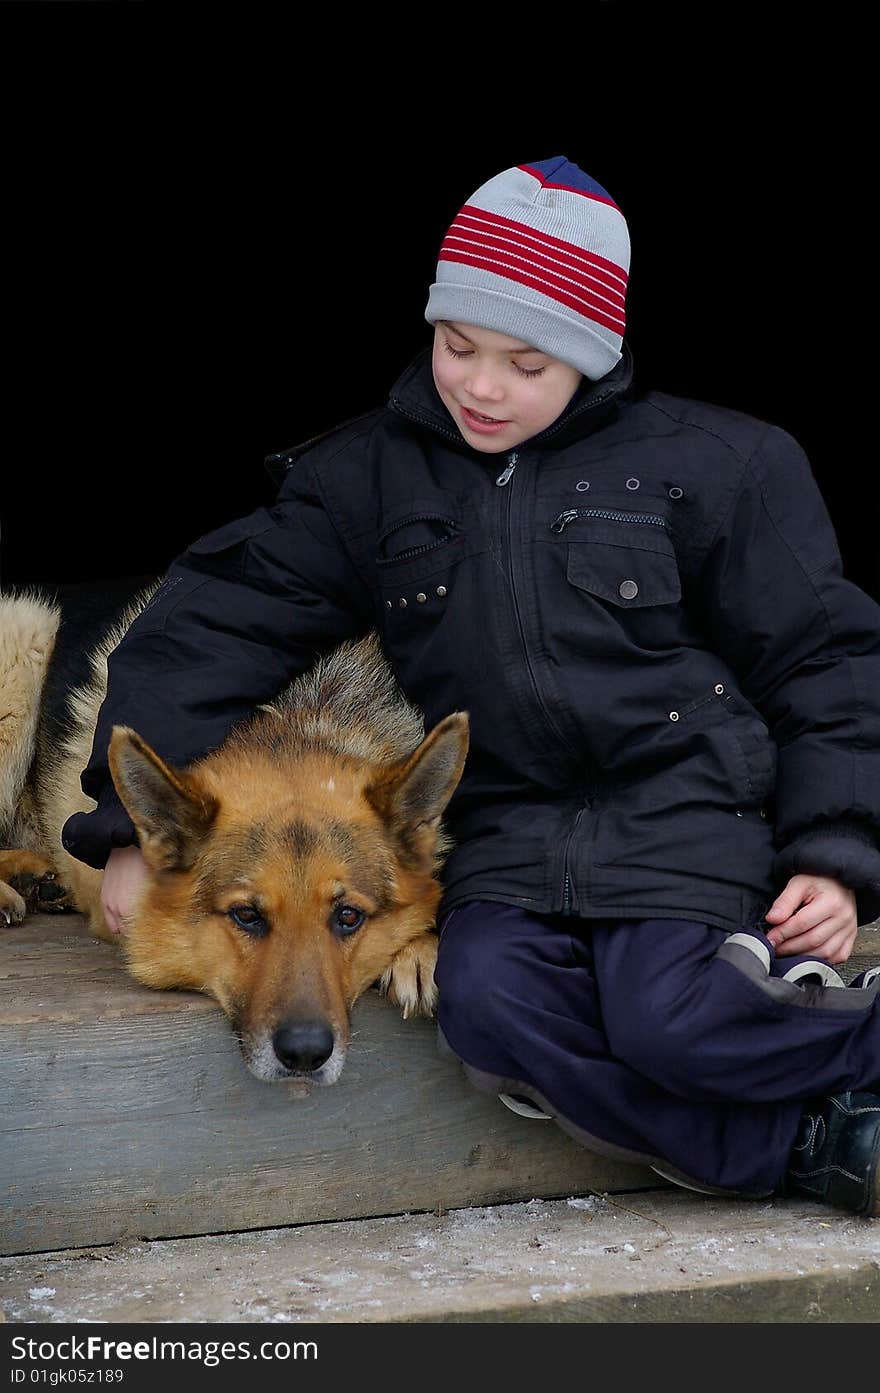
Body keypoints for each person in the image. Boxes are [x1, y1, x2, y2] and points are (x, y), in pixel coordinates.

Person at [62, 156, 880, 1213]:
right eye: (458, 346)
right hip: (506, 828)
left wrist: (836, 849)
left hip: (684, 810)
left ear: (596, 356)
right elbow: (209, 624)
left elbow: (823, 657)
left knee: (663, 1018)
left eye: (527, 363)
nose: (481, 386)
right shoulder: (366, 476)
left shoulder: (722, 464)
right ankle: (798, 1151)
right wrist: (118, 830)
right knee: (483, 1006)